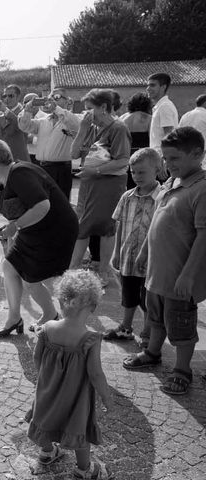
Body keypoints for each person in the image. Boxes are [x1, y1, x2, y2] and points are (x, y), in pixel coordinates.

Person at [123, 127, 206, 396]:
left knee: (180, 325)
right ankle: (152, 352)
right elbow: (157, 221)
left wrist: (188, 275)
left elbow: (203, 237)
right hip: (157, 272)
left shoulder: (201, 188)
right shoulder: (171, 183)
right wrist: (145, 251)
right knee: (155, 317)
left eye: (175, 159)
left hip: (179, 275)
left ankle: (183, 370)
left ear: (198, 154)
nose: (168, 165)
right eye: (166, 159)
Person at [0, 135, 78, 336]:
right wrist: (11, 228)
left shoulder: (20, 173)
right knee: (11, 267)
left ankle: (65, 323)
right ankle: (16, 317)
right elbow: (25, 209)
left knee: (32, 277)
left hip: (55, 230)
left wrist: (15, 227)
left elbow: (42, 205)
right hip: (36, 229)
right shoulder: (10, 176)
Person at [26, 269, 113, 480]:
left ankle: (47, 453)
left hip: (48, 389)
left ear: (61, 301)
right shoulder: (91, 338)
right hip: (77, 397)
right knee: (79, 429)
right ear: (92, 307)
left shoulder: (46, 329)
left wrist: (46, 379)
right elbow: (95, 373)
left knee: (44, 419)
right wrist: (106, 396)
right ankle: (84, 469)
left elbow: (37, 358)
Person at [69, 89, 131, 286]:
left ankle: (101, 270)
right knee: (83, 224)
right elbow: (74, 153)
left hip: (108, 183)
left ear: (103, 107)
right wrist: (82, 129)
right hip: (89, 183)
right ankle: (74, 268)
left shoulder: (118, 128)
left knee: (104, 227)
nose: (87, 114)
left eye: (90, 109)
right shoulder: (92, 127)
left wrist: (96, 172)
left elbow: (123, 160)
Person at [104, 148, 162, 347]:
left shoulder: (162, 198)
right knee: (128, 295)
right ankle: (125, 327)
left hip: (151, 260)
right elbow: (119, 225)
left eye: (142, 172)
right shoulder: (127, 196)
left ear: (157, 169)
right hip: (128, 257)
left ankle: (147, 332)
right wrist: (116, 251)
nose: (136, 176)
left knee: (147, 299)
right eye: (133, 172)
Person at [18, 89, 80, 200]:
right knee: (44, 202)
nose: (52, 100)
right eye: (50, 97)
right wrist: (27, 110)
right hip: (42, 167)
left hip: (61, 170)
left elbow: (75, 125)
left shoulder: (71, 118)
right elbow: (24, 126)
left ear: (67, 101)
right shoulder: (43, 121)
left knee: (60, 203)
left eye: (56, 97)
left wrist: (55, 108)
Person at [119, 92, 152, 189]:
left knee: (129, 188)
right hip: (144, 157)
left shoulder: (122, 118)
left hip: (126, 157)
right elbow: (152, 138)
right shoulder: (149, 119)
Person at [147, 73, 178, 152]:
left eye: (152, 85)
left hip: (161, 158)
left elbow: (169, 136)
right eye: (148, 85)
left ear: (163, 87)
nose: (148, 88)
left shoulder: (164, 107)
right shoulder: (160, 106)